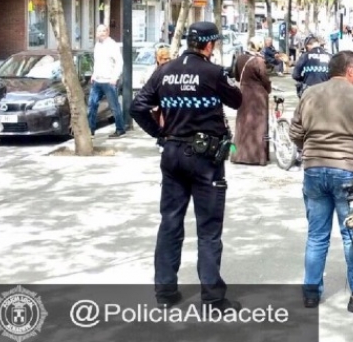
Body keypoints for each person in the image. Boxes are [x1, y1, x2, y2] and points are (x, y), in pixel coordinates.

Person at [129, 21, 243, 311]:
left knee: (170, 222)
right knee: (208, 228)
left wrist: (160, 134)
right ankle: (213, 298)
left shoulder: (164, 71)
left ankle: (165, 293)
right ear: (208, 45)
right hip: (205, 160)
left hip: (172, 154)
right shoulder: (213, 73)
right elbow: (238, 101)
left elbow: (137, 107)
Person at [289, 50, 353, 311]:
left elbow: (295, 132)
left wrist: (310, 149)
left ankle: (311, 292)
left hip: (313, 170)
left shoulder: (309, 94)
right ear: (350, 70)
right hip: (348, 172)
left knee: (317, 234)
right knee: (352, 234)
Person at [230, 36, 272, 166]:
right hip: (257, 96)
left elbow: (236, 76)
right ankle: (258, 157)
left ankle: (237, 155)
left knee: (242, 124)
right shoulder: (259, 61)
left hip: (242, 94)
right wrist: (268, 89)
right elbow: (265, 79)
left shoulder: (240, 58)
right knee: (258, 125)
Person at [88, 24, 124, 138]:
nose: (101, 33)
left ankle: (120, 129)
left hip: (109, 81)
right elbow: (97, 62)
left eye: (104, 31)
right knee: (92, 105)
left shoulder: (112, 45)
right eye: (99, 31)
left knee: (114, 107)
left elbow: (119, 62)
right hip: (97, 81)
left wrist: (115, 77)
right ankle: (90, 130)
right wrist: (94, 74)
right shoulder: (97, 45)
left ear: (108, 32)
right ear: (96, 33)